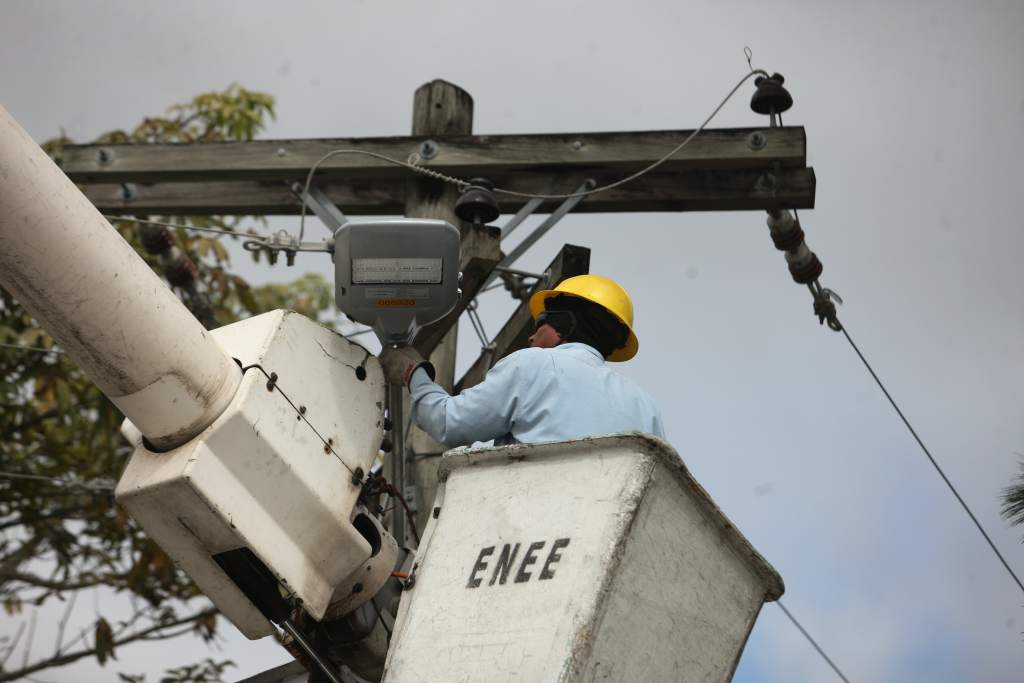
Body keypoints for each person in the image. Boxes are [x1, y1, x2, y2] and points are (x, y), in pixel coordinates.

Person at [380, 274, 665, 448]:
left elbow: (449, 422)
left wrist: (413, 371)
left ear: (564, 325)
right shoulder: (645, 405)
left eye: (538, 325)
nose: (530, 339)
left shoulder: (533, 365)